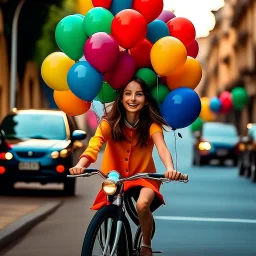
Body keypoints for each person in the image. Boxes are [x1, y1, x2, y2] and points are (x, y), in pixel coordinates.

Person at [69, 77, 181, 256]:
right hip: (115, 177)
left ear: (145, 101)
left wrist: (170, 168)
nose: (133, 99)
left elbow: (162, 148)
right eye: (127, 94)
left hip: (145, 178)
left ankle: (146, 244)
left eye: (139, 94)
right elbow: (94, 146)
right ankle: (111, 235)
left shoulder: (152, 125)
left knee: (143, 204)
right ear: (120, 99)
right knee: (108, 203)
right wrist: (80, 165)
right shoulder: (108, 123)